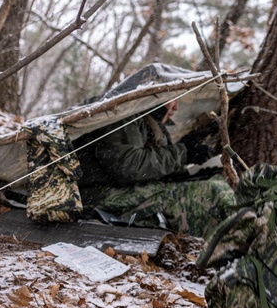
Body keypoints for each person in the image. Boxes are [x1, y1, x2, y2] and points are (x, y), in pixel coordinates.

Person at [76, 99, 238, 239]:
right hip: (101, 196)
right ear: (154, 98)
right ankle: (213, 252)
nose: (176, 107)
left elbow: (155, 169)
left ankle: (229, 243)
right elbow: (129, 167)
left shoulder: (153, 125)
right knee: (210, 192)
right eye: (172, 99)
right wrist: (182, 153)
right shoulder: (123, 117)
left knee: (214, 184)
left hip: (125, 190)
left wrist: (188, 174)